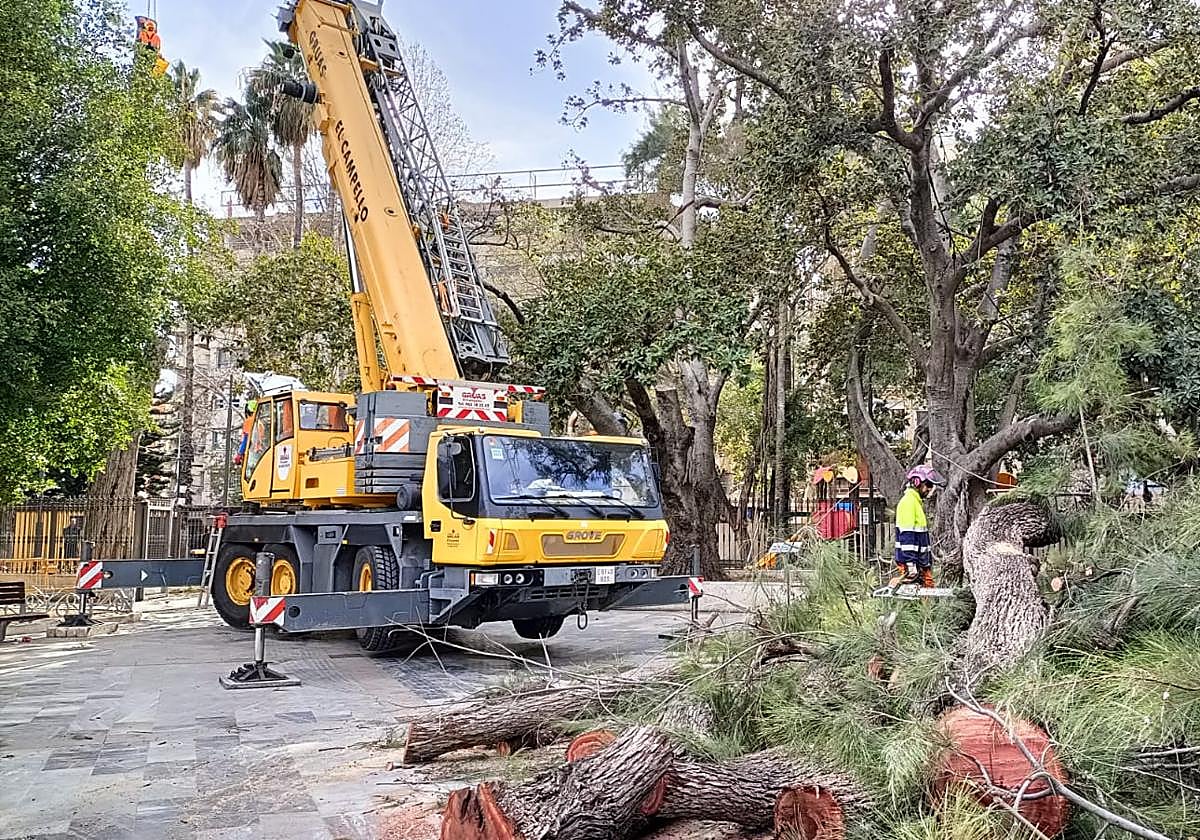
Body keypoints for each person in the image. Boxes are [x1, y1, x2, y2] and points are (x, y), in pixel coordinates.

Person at [888, 465, 947, 590]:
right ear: (917, 482)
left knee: (926, 596)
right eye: (928, 485)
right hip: (912, 565)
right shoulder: (908, 503)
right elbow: (907, 537)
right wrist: (911, 565)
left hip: (920, 563)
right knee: (915, 599)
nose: (930, 489)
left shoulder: (915, 502)